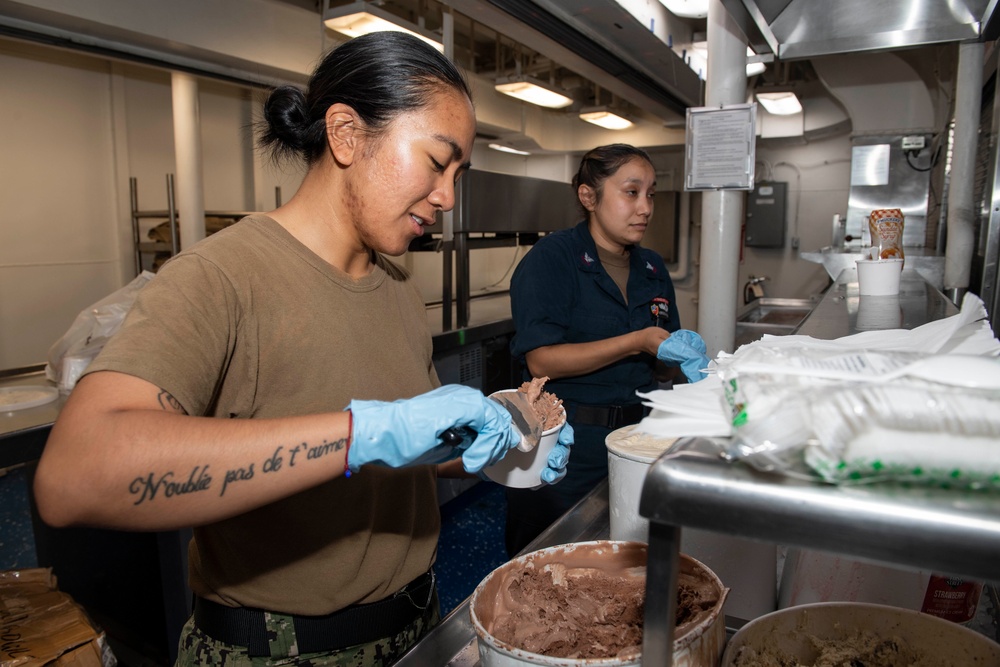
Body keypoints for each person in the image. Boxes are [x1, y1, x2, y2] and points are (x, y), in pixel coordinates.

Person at [33, 32, 570, 666]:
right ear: (345, 135)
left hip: (416, 622)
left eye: (459, 174)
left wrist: (493, 446)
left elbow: (402, 450)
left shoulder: (395, 284)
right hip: (282, 650)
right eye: (436, 161)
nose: (448, 197)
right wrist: (354, 435)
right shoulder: (222, 277)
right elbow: (75, 476)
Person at [505, 143, 709, 556]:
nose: (646, 207)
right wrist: (638, 340)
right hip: (568, 445)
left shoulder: (652, 269)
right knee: (552, 557)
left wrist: (675, 357)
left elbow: (661, 372)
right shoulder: (554, 259)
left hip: (637, 438)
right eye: (631, 192)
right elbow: (542, 360)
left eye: (651, 193)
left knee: (627, 555)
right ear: (589, 196)